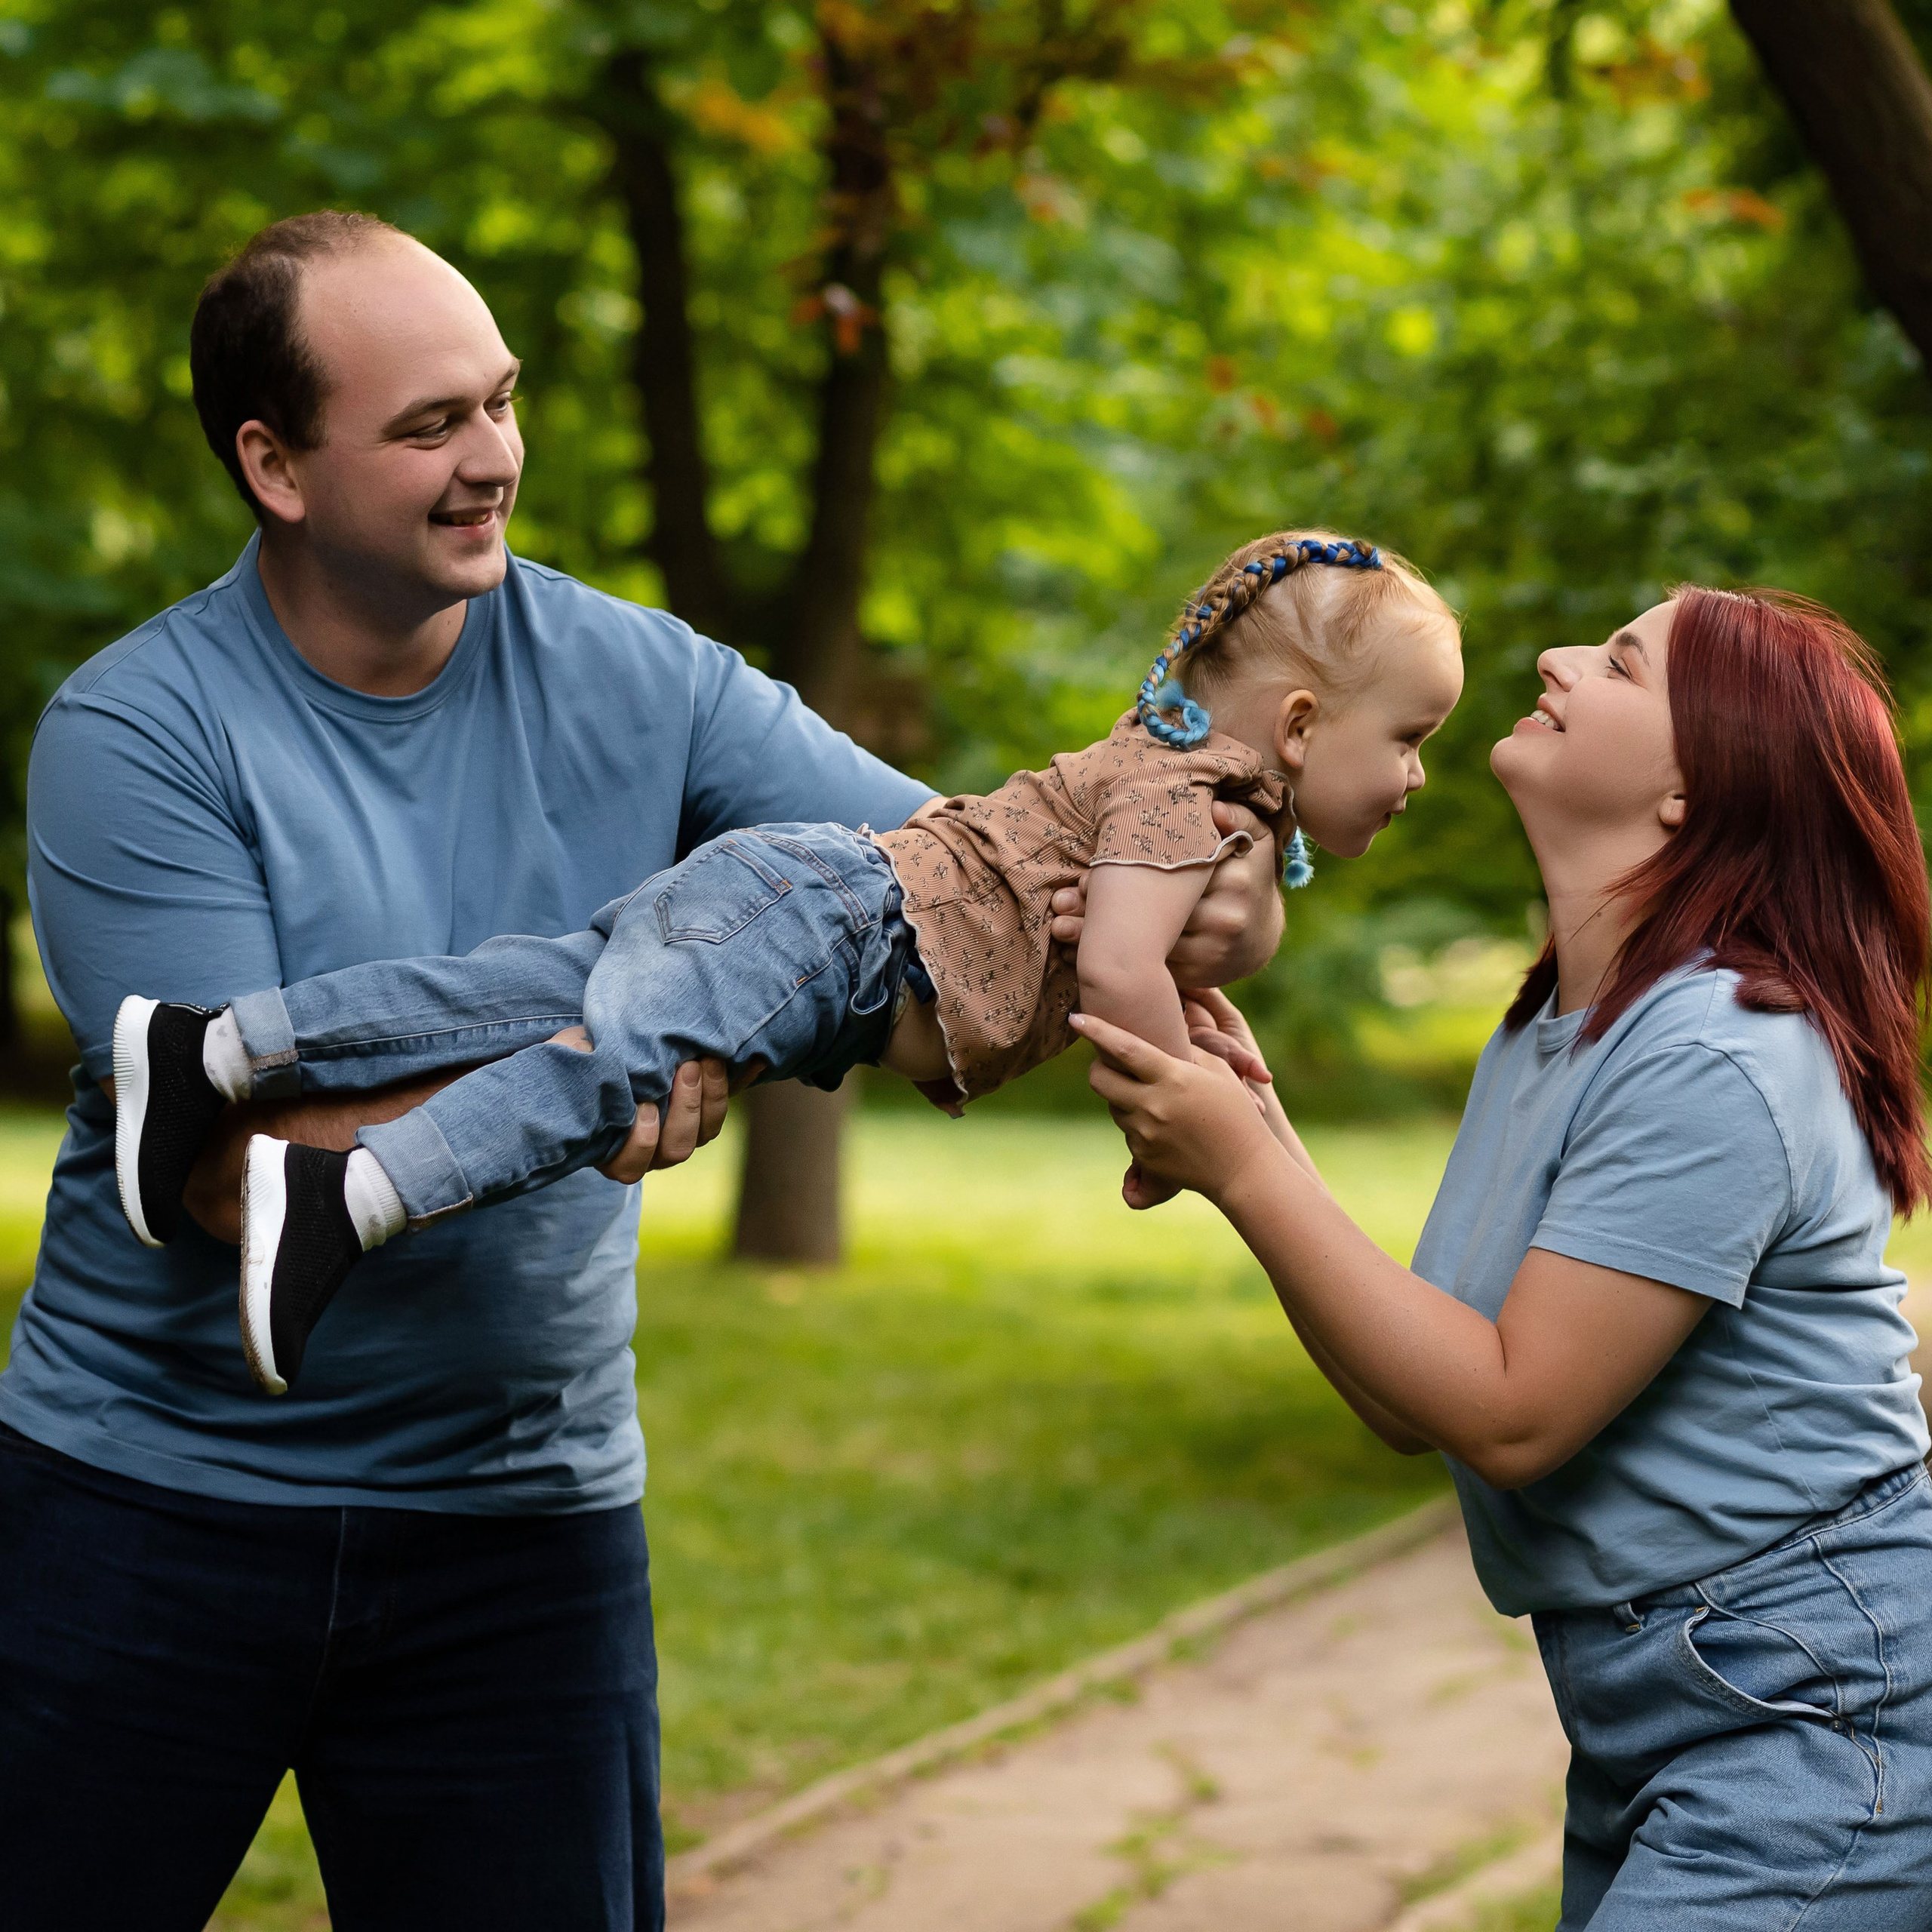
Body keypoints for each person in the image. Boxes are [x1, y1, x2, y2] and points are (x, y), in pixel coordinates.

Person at [0, 208, 1286, 1932]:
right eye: (429, 425)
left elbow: (947, 906)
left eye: (503, 402)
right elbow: (239, 1162)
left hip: (519, 1520)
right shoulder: (139, 729)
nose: (494, 461)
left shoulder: (643, 677)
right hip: (150, 1506)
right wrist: (650, 1041)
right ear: (273, 462)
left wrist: (1197, 860)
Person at [112, 530, 1463, 1396]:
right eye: (1409, 738)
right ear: (1296, 722)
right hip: (828, 931)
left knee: (526, 989)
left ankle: (217, 1046)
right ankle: (348, 1201)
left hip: (809, 906)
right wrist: (1188, 1127)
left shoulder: (1174, 780)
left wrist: (1205, 996)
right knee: (612, 1071)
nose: (1414, 777)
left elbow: (1162, 940)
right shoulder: (1190, 800)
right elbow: (1115, 973)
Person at [1078, 586, 1932, 1927]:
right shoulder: (1562, 1029)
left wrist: (1238, 1163)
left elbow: (1516, 1415)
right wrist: (1265, 1143)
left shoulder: (1720, 1056)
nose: (1554, 657)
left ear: (1695, 791)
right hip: (1670, 1709)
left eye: (1622, 662)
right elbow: (1420, 1402)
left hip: (1811, 1713)